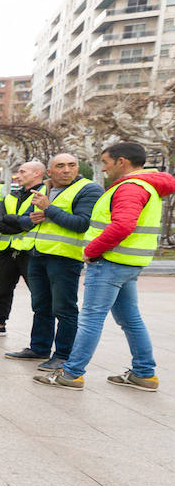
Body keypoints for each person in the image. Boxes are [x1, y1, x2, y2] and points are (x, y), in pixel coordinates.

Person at [34, 142, 172, 392]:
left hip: (110, 262)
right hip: (127, 263)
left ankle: (71, 374)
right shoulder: (145, 186)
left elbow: (122, 226)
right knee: (130, 319)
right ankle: (144, 373)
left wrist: (91, 250)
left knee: (91, 320)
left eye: (106, 163)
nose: (104, 169)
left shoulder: (130, 187)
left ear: (121, 162)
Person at [4, 153, 102, 371]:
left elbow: (82, 224)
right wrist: (29, 219)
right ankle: (39, 348)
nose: (66, 170)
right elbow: (24, 220)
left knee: (64, 308)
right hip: (38, 254)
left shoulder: (89, 189)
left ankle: (64, 355)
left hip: (65, 257)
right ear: (50, 172)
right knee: (41, 305)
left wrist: (49, 209)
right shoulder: (43, 189)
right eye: (60, 166)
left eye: (71, 165)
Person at [0, 162, 44, 336]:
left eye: (22, 172)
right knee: (3, 290)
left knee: (39, 294)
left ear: (37, 173)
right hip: (7, 250)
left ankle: (43, 334)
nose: (17, 175)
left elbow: (32, 223)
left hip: (30, 252)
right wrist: (20, 222)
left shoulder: (44, 194)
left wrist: (11, 219)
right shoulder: (11, 196)